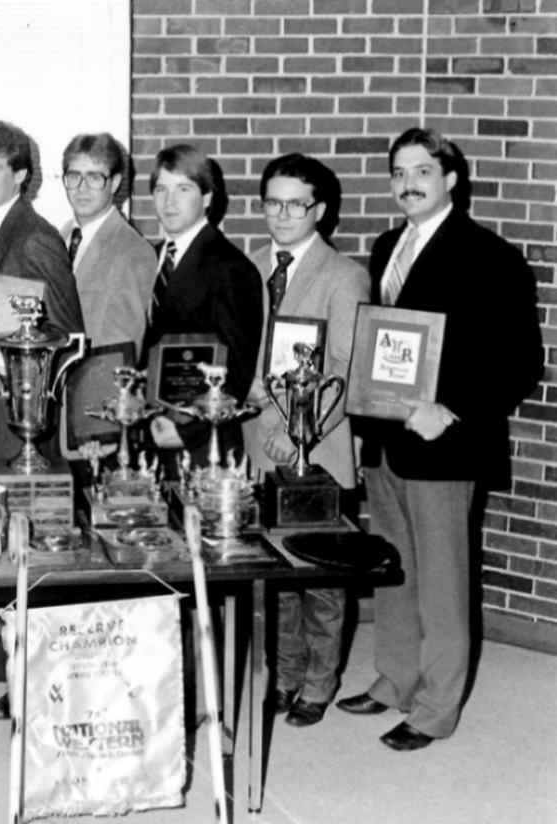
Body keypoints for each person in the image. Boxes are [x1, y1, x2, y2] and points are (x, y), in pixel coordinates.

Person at [337, 128, 541, 751]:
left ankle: (435, 708)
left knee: (444, 581)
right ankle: (395, 677)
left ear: (451, 178)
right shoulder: (387, 245)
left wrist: (450, 409)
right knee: (395, 569)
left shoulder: (490, 256)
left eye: (422, 171)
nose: (408, 184)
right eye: (398, 172)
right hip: (387, 443)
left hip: (445, 445)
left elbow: (520, 362)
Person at [240, 154, 369, 727]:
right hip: (259, 440)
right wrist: (263, 424)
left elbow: (343, 366)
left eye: (296, 203)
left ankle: (319, 683)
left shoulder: (344, 276)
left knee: (317, 573)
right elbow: (248, 357)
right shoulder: (252, 267)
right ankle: (285, 675)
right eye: (273, 202)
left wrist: (298, 435)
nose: (283, 214)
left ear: (319, 210)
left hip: (315, 446)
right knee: (275, 569)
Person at [0, 120, 84, 479]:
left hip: (18, 429)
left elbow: (68, 340)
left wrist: (2, 382)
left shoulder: (34, 239)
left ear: (20, 174)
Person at [142, 144, 263, 461]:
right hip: (149, 435)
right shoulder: (147, 261)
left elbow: (236, 372)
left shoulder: (230, 268)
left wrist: (186, 431)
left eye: (183, 189)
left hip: (202, 446)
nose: (169, 202)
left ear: (207, 197)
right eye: (160, 190)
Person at [59, 132, 154, 353]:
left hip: (90, 384)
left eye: (94, 177)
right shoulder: (59, 237)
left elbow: (120, 352)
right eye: (74, 176)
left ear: (114, 183)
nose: (82, 188)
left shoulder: (133, 252)